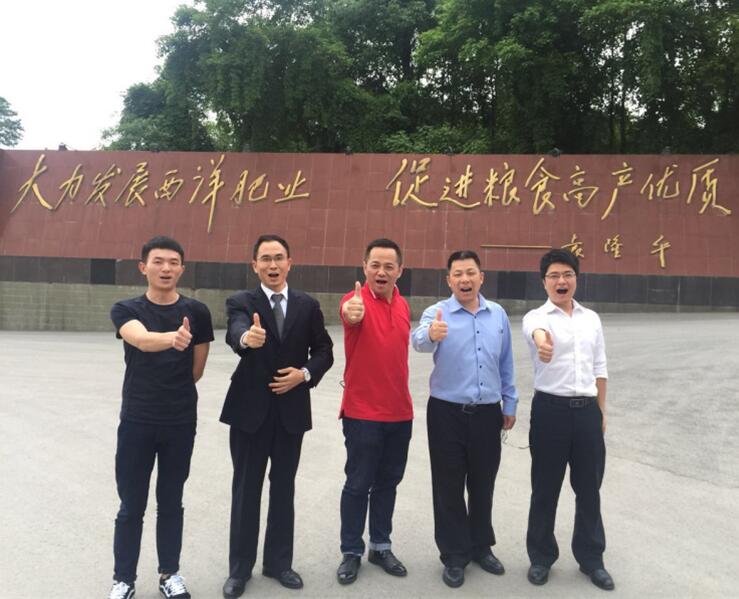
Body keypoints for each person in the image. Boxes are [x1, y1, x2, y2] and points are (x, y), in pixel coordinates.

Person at [220, 234, 334, 598]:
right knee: (246, 490)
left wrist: (305, 374)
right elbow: (236, 330)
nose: (273, 265)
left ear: (290, 263)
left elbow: (324, 350)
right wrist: (246, 338)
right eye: (265, 259)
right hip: (249, 413)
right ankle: (239, 570)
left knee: (284, 489)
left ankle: (279, 564)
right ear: (254, 265)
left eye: (279, 258)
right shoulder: (241, 301)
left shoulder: (307, 305)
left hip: (291, 412)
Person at [108, 236, 214, 599]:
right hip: (137, 419)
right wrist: (172, 338)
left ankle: (170, 574)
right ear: (143, 267)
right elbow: (139, 339)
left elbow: (196, 370)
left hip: (180, 421)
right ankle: (124, 579)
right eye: (158, 261)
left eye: (173, 262)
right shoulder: (126, 309)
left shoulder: (198, 312)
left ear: (182, 268)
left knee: (171, 501)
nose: (166, 268)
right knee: (131, 505)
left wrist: (180, 348)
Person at [411, 250, 518, 588]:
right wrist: (432, 334)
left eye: (470, 272)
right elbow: (418, 341)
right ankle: (454, 554)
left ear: (481, 277)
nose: (465, 279)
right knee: (448, 485)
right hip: (446, 412)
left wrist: (510, 402)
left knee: (483, 482)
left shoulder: (497, 314)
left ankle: (481, 546)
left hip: (487, 412)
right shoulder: (437, 312)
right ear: (449, 280)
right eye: (457, 274)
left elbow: (506, 361)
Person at [522, 249, 614, 591]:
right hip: (550, 411)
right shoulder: (536, 316)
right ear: (544, 282)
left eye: (567, 275)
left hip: (587, 411)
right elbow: (537, 332)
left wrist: (601, 411)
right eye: (554, 276)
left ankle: (592, 558)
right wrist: (543, 343)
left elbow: (600, 367)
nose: (561, 281)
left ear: (576, 278)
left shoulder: (592, 319)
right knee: (545, 488)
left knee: (589, 489)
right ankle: (541, 557)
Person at [335, 238, 414, 585]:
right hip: (362, 413)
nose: (381, 272)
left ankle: (380, 546)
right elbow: (349, 314)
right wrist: (351, 313)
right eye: (375, 265)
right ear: (364, 267)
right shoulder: (354, 301)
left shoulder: (404, 305)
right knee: (358, 484)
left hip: (400, 413)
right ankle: (351, 551)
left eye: (389, 266)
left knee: (388, 484)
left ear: (400, 270)